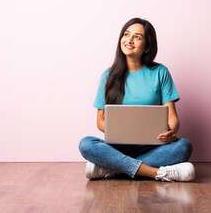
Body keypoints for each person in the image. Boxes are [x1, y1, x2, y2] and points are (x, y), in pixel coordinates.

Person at [79, 18, 195, 182]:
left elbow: (172, 117)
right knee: (86, 144)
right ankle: (155, 173)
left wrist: (172, 131)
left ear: (147, 47)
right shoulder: (108, 75)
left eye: (137, 37)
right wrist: (120, 133)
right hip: (118, 147)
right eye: (126, 34)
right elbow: (100, 121)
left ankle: (112, 169)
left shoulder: (160, 72)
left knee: (183, 146)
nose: (129, 40)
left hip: (153, 145)